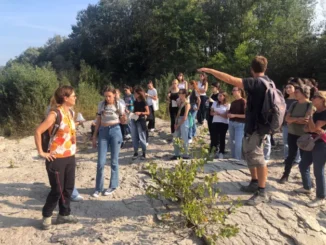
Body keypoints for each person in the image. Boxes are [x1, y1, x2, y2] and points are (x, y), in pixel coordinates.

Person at [198, 56, 272, 205]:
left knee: (258, 158)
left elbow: (231, 79)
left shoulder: (256, 82)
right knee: (250, 154)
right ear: (265, 68)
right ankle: (254, 182)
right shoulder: (269, 81)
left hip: (258, 127)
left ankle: (262, 191)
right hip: (254, 125)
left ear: (252, 69)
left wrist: (210, 70)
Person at [35, 85, 78, 230]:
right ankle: (47, 215)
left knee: (68, 188)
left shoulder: (70, 112)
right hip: (56, 158)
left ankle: (64, 215)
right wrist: (42, 152)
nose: (75, 97)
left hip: (70, 156)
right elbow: (38, 131)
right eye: (73, 95)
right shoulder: (54, 114)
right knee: (57, 190)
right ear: (65, 98)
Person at [92, 86, 126, 198]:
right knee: (101, 162)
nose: (107, 98)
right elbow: (98, 120)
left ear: (114, 95)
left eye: (109, 96)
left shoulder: (119, 105)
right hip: (103, 132)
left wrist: (125, 117)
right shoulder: (101, 105)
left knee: (114, 161)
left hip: (115, 131)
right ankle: (98, 188)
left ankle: (113, 185)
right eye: (106, 96)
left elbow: (123, 121)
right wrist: (94, 136)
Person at [297, 91, 326, 207]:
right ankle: (307, 187)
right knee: (303, 165)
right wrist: (311, 123)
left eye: (315, 97)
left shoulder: (324, 113)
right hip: (313, 142)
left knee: (318, 170)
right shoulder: (315, 113)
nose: (312, 98)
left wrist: (309, 118)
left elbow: (313, 128)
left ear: (322, 99)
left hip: (322, 144)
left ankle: (321, 197)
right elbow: (306, 129)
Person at [279, 85, 312, 183]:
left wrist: (293, 120)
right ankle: (285, 175)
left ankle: (306, 180)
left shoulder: (310, 105)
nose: (295, 93)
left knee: (304, 158)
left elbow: (306, 120)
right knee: (291, 155)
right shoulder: (294, 104)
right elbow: (287, 119)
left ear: (304, 93)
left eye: (297, 92)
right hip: (292, 133)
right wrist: (298, 119)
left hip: (304, 135)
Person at [282, 79, 302, 164]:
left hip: (296, 124)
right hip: (285, 124)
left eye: (290, 87)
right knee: (286, 142)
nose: (288, 89)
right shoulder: (284, 100)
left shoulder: (299, 101)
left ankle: (297, 159)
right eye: (286, 88)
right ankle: (287, 158)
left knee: (297, 142)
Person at [170, 89, 191, 160]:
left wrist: (178, 124)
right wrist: (175, 123)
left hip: (184, 121)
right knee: (175, 137)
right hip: (178, 120)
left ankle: (186, 153)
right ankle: (177, 154)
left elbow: (185, 117)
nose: (179, 95)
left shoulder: (187, 104)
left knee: (184, 137)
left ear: (184, 95)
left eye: (181, 94)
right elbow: (178, 113)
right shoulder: (180, 102)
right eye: (179, 94)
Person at [131, 87, 150, 160]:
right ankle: (135, 152)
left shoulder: (144, 102)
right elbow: (134, 110)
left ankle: (144, 152)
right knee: (134, 136)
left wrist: (140, 113)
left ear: (139, 94)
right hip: (134, 119)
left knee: (142, 137)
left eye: (135, 93)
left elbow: (148, 112)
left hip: (141, 120)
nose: (134, 94)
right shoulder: (135, 101)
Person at [227, 87, 246, 160]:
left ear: (239, 91)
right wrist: (229, 113)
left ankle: (238, 158)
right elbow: (230, 111)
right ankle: (233, 157)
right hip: (231, 123)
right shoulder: (233, 102)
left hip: (240, 124)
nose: (233, 92)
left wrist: (234, 115)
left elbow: (246, 115)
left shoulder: (243, 101)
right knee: (232, 141)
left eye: (234, 90)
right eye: (233, 90)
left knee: (238, 142)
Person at [211, 92, 230, 159]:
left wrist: (218, 114)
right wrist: (214, 113)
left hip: (224, 123)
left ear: (224, 97)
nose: (219, 97)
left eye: (221, 96)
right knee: (214, 138)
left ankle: (221, 152)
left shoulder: (227, 105)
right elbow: (211, 112)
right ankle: (213, 151)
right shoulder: (215, 103)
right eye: (218, 96)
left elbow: (226, 116)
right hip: (215, 122)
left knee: (222, 138)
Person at [207, 82, 220, 150]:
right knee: (211, 131)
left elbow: (220, 104)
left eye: (213, 87)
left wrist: (212, 101)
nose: (211, 88)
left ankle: (216, 145)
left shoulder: (219, 95)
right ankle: (212, 144)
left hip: (216, 116)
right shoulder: (212, 94)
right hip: (210, 115)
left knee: (216, 131)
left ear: (217, 88)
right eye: (211, 87)